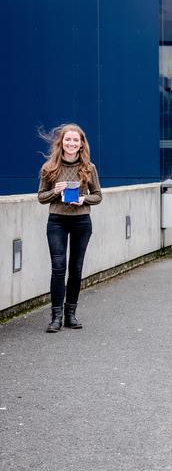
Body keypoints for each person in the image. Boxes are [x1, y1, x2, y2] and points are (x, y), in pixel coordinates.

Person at [37, 124, 102, 333]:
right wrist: (55, 191)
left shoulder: (89, 168)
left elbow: (98, 196)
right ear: (61, 142)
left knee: (75, 268)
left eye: (76, 140)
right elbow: (41, 197)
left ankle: (70, 315)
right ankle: (55, 317)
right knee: (58, 267)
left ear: (82, 143)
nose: (72, 143)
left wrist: (83, 199)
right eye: (68, 140)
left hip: (81, 221)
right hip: (57, 220)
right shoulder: (49, 167)